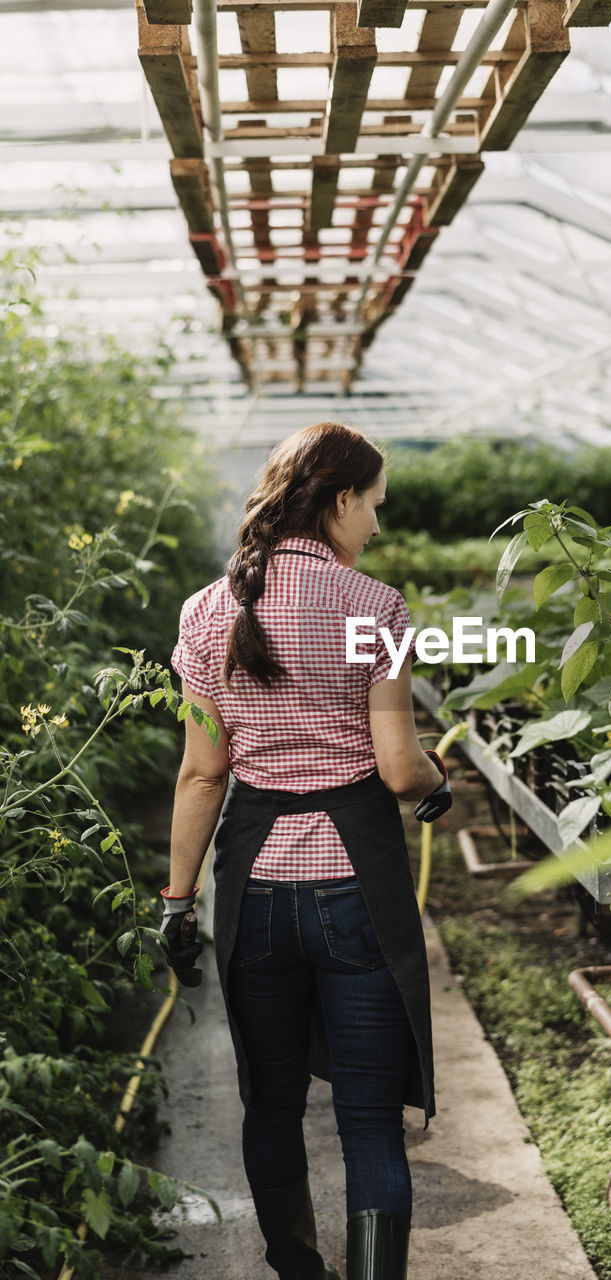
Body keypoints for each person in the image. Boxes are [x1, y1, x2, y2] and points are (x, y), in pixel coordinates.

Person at [158, 422, 452, 1280]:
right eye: (373, 507)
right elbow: (398, 769)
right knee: (367, 1123)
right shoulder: (377, 608)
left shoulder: (208, 613)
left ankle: (296, 1269)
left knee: (271, 1108)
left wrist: (177, 903)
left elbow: (201, 776)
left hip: (253, 892)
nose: (377, 527)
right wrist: (438, 780)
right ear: (337, 501)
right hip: (354, 884)